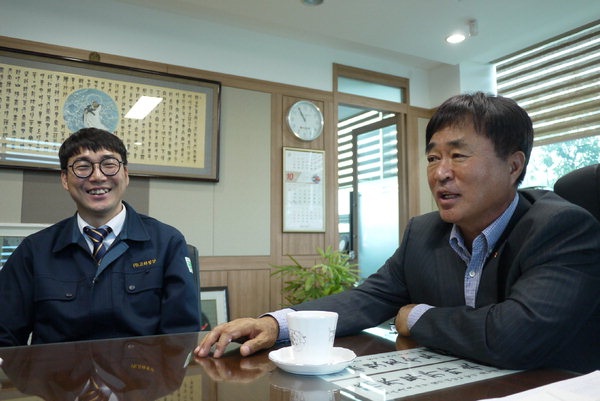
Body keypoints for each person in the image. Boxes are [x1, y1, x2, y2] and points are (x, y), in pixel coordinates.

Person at [196, 92, 600, 373]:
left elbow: (514, 336)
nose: (440, 173)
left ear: (513, 166)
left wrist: (415, 316)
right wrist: (277, 324)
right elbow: (368, 298)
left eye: (458, 155)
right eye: (433, 157)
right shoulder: (424, 232)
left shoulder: (561, 227)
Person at [0, 127, 200, 346]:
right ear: (65, 179)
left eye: (109, 164)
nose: (97, 176)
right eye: (83, 167)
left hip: (141, 368)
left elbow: (181, 337)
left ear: (126, 174)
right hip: (58, 369)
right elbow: (5, 334)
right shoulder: (34, 250)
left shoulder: (167, 242)